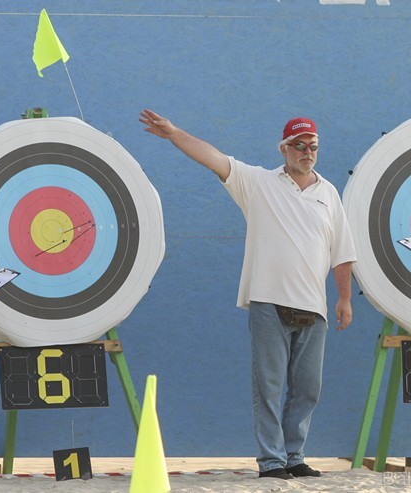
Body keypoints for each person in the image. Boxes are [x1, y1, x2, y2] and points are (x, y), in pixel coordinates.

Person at [140, 109, 357, 480]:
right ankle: (272, 460)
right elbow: (213, 158)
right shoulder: (258, 183)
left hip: (314, 308)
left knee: (308, 389)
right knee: (269, 385)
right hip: (268, 302)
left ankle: (295, 455)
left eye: (313, 146)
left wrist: (344, 298)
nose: (307, 152)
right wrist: (175, 133)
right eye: (299, 146)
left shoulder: (329, 193)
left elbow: (342, 253)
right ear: (284, 149)